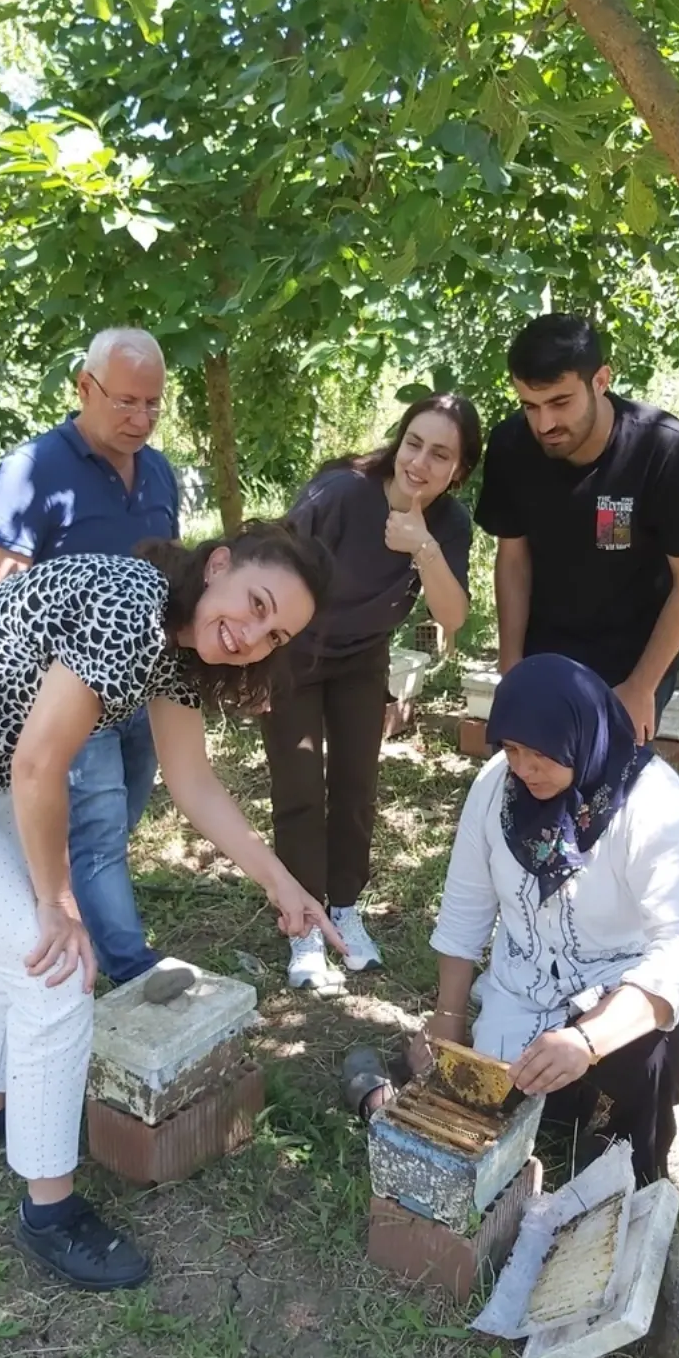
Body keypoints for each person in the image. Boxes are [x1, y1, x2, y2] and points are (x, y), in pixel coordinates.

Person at [0, 524, 341, 1291]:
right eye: (257, 604)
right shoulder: (128, 605)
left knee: (27, 954)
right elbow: (39, 761)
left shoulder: (178, 641)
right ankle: (49, 1211)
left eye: (275, 634)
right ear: (219, 567)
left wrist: (282, 883)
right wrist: (55, 899)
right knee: (53, 970)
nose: (251, 637)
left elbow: (192, 781)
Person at [344, 654, 679, 1185]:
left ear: (582, 739)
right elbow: (466, 907)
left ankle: (617, 1158)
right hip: (525, 995)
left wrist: (586, 1042)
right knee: (480, 1099)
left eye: (540, 753)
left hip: (621, 1002)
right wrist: (449, 1022)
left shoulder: (651, 803)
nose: (523, 768)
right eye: (511, 749)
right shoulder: (498, 789)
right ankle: (397, 1099)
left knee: (639, 1077)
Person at [261, 395, 481, 992]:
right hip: (295, 655)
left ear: (458, 470)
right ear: (398, 441)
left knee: (357, 786)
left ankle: (345, 908)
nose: (420, 462)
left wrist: (421, 543)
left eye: (440, 455)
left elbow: (452, 613)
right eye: (414, 443)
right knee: (300, 787)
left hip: (362, 659)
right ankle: (303, 923)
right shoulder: (341, 494)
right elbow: (274, 567)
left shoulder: (451, 523)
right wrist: (258, 664)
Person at [0, 328, 177, 986]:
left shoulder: (160, 472)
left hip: (142, 685)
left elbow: (168, 572)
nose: (141, 419)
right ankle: (130, 966)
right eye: (125, 402)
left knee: (114, 821)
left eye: (153, 404)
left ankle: (74, 911)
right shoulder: (31, 469)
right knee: (95, 823)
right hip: (68, 694)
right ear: (83, 388)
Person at [475, 313, 679, 743]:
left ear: (601, 380)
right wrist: (511, 668)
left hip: (635, 655)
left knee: (606, 785)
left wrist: (642, 685)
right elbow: (513, 560)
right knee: (535, 778)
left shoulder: (663, 450)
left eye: (560, 402)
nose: (544, 424)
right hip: (544, 648)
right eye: (530, 406)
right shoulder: (511, 446)